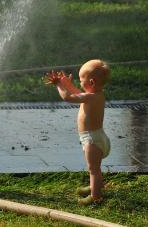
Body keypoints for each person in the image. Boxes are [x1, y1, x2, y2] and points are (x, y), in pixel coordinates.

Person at [45, 60, 111, 205]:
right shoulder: (96, 95)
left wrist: (59, 85)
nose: (80, 83)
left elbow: (68, 97)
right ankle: (95, 186)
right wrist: (69, 85)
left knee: (93, 169)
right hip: (96, 137)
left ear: (91, 82)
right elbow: (78, 94)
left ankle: (96, 197)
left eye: (81, 80)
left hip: (93, 140)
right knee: (94, 168)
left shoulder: (90, 97)